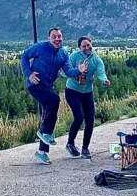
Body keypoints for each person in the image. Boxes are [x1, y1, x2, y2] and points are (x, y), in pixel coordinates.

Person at [21, 28, 87, 165]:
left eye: (59, 36)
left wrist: (78, 71)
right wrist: (29, 73)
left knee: (50, 115)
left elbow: (68, 70)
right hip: (36, 83)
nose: (57, 39)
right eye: (54, 37)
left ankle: (41, 152)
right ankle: (44, 134)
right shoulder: (40, 47)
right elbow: (25, 56)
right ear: (49, 38)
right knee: (55, 99)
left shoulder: (63, 53)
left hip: (48, 86)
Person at [64, 36, 111, 159]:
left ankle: (85, 148)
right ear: (79, 48)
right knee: (79, 117)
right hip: (72, 90)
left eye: (88, 45)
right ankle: (70, 143)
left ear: (92, 44)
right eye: (83, 46)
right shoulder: (74, 57)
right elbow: (64, 72)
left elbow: (101, 73)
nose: (86, 48)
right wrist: (77, 71)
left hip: (87, 92)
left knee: (90, 119)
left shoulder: (96, 59)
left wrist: (104, 80)